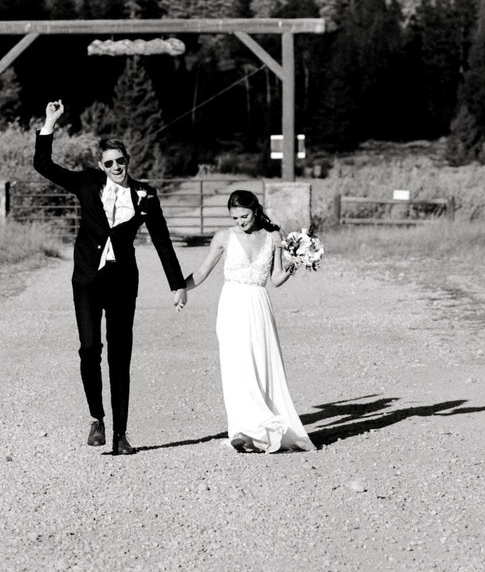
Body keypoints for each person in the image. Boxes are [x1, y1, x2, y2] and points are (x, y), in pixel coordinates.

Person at [34, 100, 187, 456]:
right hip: (87, 280)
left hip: (122, 282)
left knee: (121, 356)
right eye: (110, 163)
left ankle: (121, 434)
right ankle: (96, 419)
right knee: (90, 350)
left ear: (127, 161)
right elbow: (43, 165)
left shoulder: (145, 194)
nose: (116, 167)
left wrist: (177, 284)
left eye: (121, 161)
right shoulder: (87, 183)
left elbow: (162, 241)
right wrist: (50, 122)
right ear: (101, 165)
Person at [184, 188, 314, 453]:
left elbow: (275, 280)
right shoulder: (224, 237)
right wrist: (180, 288)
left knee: (263, 364)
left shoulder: (273, 236)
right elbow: (201, 271)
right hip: (232, 304)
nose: (240, 222)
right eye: (235, 218)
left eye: (244, 216)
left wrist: (295, 263)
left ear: (255, 210)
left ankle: (266, 426)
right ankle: (245, 430)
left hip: (259, 304)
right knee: (237, 366)